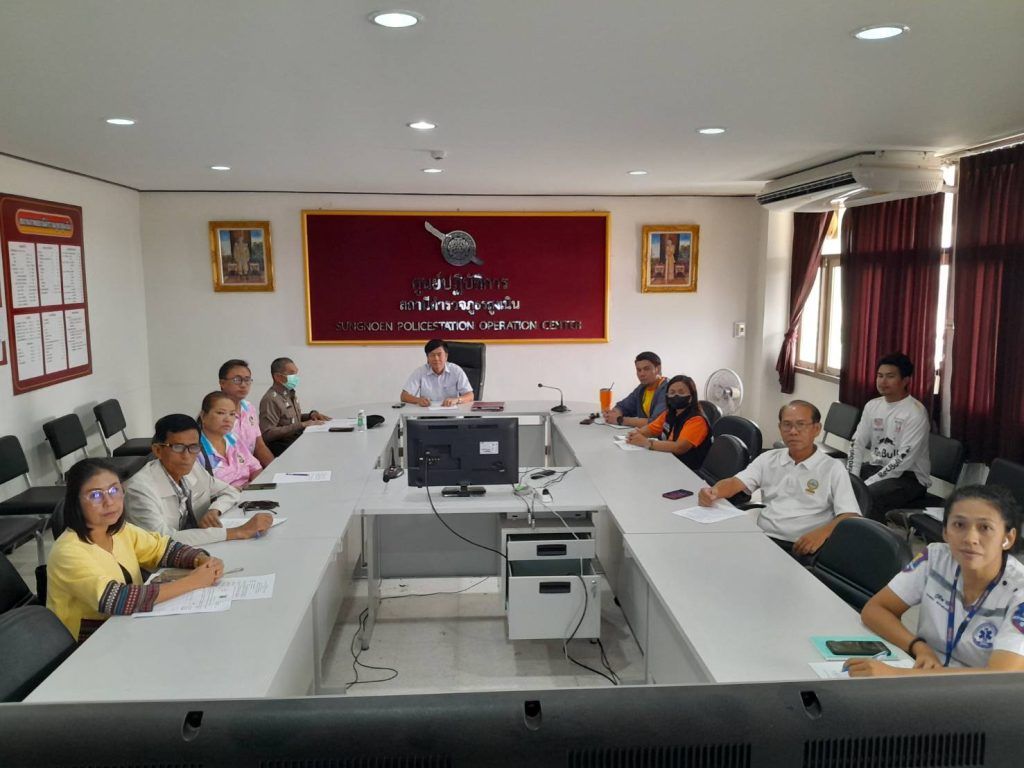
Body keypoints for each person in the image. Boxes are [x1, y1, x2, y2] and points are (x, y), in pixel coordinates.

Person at [847, 485, 1024, 677]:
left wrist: (895, 675)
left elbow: (999, 677)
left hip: (979, 692)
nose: (970, 538)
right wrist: (918, 646)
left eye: (985, 528)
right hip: (922, 674)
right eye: (959, 525)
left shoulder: (1019, 591)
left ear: (1007, 538)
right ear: (945, 532)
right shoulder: (935, 558)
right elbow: (875, 609)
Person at [47, 458, 225, 642]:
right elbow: (115, 599)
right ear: (76, 502)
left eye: (114, 490)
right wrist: (193, 582)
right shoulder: (67, 551)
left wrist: (201, 560)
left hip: (128, 627)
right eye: (96, 495)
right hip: (90, 642)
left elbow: (163, 549)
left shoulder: (119, 531)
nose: (109, 502)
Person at [699, 400, 861, 562]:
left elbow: (850, 515)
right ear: (780, 428)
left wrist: (822, 533)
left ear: (816, 429)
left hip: (803, 547)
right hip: (764, 538)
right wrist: (714, 492)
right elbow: (735, 483)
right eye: (787, 425)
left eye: (801, 425)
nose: (793, 431)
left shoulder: (833, 468)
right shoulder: (768, 459)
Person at [125, 414, 272, 545]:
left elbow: (230, 491)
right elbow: (164, 540)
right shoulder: (139, 490)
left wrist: (214, 510)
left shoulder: (193, 468)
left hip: (198, 546)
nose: (187, 456)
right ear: (158, 450)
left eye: (193, 447)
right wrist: (237, 532)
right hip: (161, 560)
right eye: (178, 447)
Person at [847, 352, 931, 518]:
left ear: (905, 380)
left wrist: (864, 485)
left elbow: (902, 461)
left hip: (909, 477)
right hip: (877, 467)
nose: (883, 381)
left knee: (868, 496)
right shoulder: (872, 405)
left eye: (890, 376)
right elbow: (857, 443)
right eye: (880, 376)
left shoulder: (915, 412)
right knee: (835, 479)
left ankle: (869, 533)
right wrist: (852, 477)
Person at [625, 374, 709, 470]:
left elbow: (679, 447)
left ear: (691, 396)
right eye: (672, 392)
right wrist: (637, 433)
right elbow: (651, 429)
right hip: (668, 462)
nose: (676, 396)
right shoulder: (669, 413)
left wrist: (647, 443)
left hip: (687, 469)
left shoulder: (697, 420)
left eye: (681, 392)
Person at [259, 357, 330, 456]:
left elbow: (290, 419)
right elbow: (267, 433)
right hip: (284, 449)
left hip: (296, 442)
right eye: (291, 374)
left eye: (296, 374)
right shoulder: (270, 399)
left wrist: (310, 416)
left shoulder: (289, 393)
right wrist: (302, 425)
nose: (295, 378)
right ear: (278, 377)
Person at [218, 358, 275, 468]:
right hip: (230, 473)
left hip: (252, 469)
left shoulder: (249, 408)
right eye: (237, 380)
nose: (243, 385)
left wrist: (274, 469)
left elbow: (259, 446)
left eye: (247, 380)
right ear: (222, 383)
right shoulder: (216, 414)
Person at [198, 391, 262, 488]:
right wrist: (239, 490)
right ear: (203, 416)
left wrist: (253, 486)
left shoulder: (232, 438)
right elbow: (202, 490)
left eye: (232, 414)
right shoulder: (195, 450)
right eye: (221, 413)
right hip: (224, 497)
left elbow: (256, 468)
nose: (228, 419)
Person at [400, 338, 474, 407]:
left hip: (452, 413)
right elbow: (404, 396)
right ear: (427, 358)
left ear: (446, 356)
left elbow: (470, 395)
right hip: (427, 414)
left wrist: (457, 400)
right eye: (432, 355)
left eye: (439, 354)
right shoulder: (420, 371)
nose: (436, 358)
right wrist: (418, 400)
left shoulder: (456, 371)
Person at [603, 351, 668, 427]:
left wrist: (620, 420)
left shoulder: (669, 389)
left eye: (646, 369)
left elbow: (656, 422)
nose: (641, 374)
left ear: (658, 369)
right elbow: (622, 406)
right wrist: (612, 414)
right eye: (639, 370)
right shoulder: (642, 388)